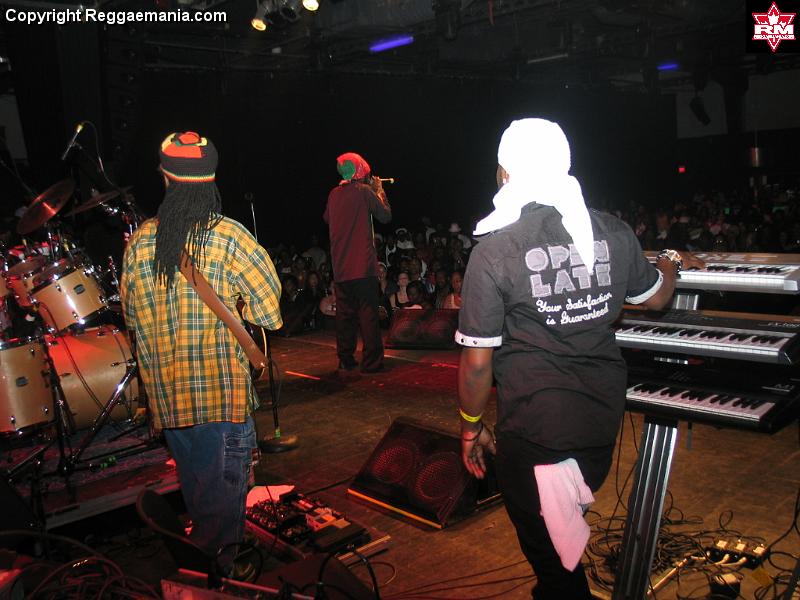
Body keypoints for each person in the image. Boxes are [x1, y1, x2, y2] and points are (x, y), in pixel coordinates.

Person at [455, 119, 703, 600]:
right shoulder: (613, 231)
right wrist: (670, 260)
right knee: (558, 547)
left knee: (555, 569)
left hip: (535, 432)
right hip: (598, 425)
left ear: (505, 173)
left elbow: (477, 364)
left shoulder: (496, 251)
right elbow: (656, 297)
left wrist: (470, 426)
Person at [120, 131, 283, 573]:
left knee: (200, 500)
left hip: (170, 404)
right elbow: (270, 314)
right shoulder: (229, 237)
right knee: (219, 524)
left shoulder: (138, 244)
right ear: (211, 179)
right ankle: (211, 580)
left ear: (165, 177)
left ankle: (204, 570)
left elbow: (132, 320)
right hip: (220, 401)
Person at [323, 152, 391, 373]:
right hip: (362, 266)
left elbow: (327, 218)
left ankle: (346, 359)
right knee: (368, 315)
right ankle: (372, 363)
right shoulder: (363, 191)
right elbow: (385, 216)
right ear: (360, 171)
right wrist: (379, 190)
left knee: (345, 316)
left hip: (341, 267)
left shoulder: (334, 194)